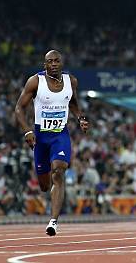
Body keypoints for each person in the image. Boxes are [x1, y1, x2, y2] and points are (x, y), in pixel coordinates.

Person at [15, 50, 89, 236]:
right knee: (44, 185)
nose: (54, 64)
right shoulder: (35, 82)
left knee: (59, 170)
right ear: (45, 65)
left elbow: (72, 103)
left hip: (60, 135)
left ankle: (53, 221)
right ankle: (49, 189)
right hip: (41, 137)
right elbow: (18, 109)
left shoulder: (71, 81)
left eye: (57, 61)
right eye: (50, 61)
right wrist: (27, 131)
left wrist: (80, 118)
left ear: (61, 63)